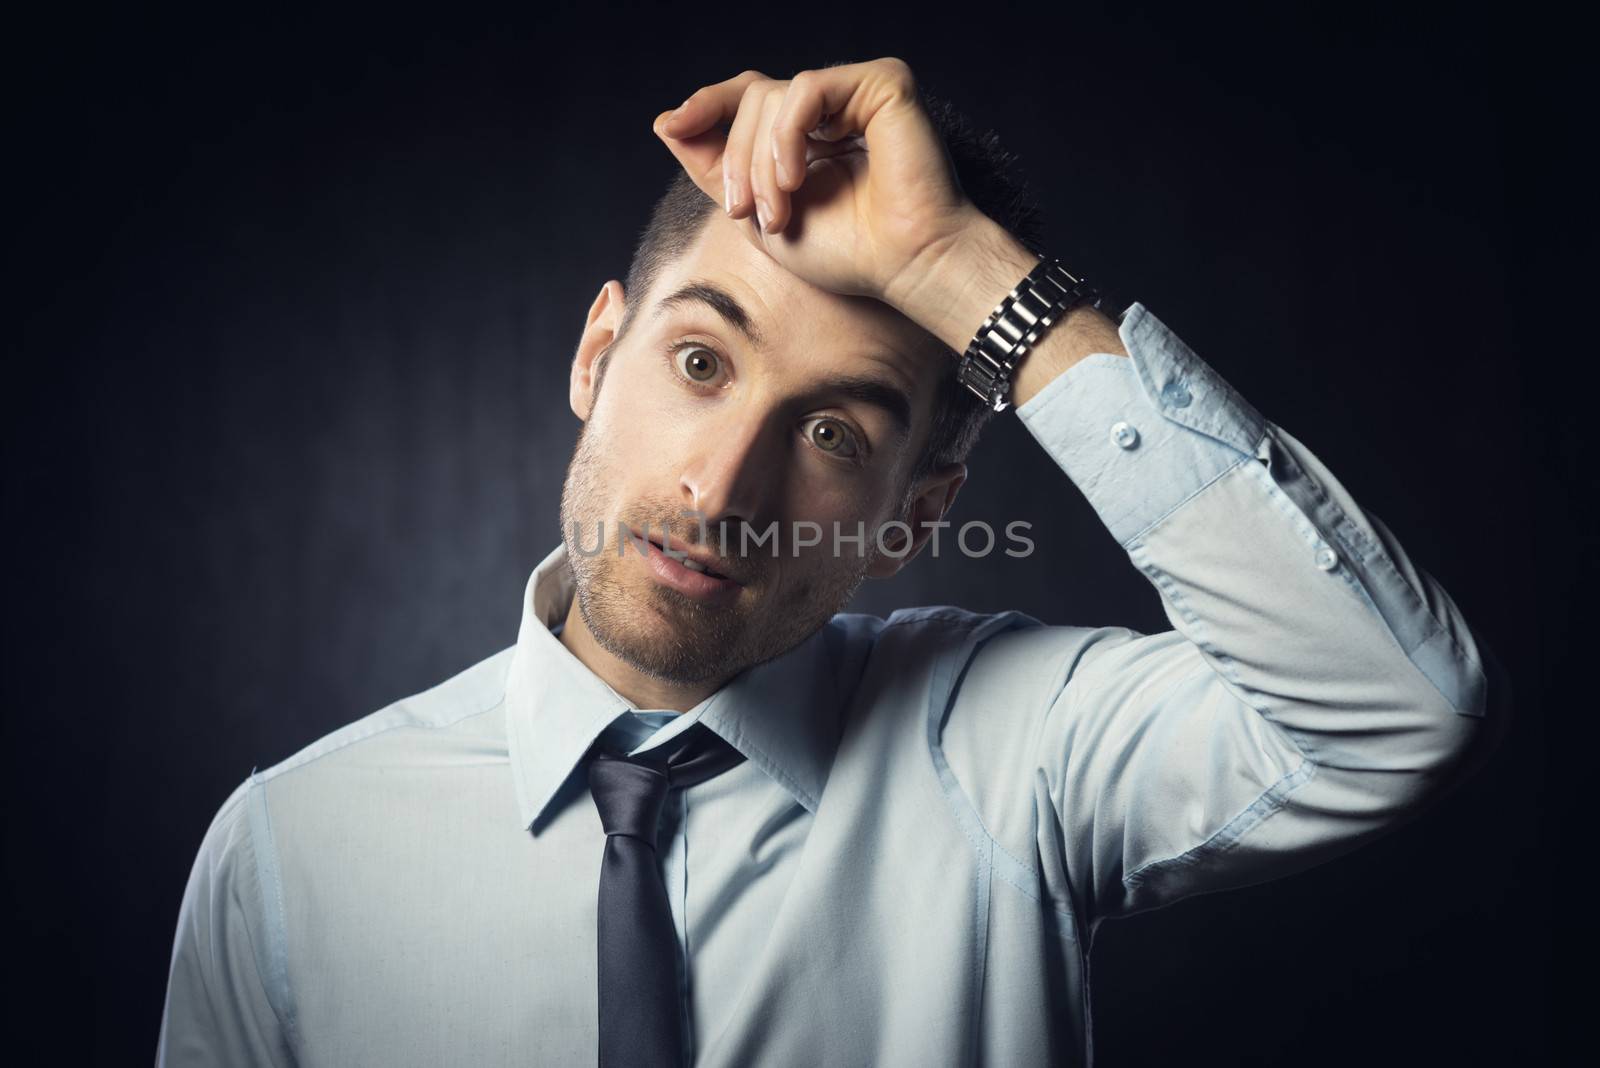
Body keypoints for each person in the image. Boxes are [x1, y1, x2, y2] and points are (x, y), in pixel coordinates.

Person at [157, 59, 1504, 1067]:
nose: (723, 488)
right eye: (699, 363)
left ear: (914, 516)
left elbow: (1395, 709)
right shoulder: (289, 853)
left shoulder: (1015, 754)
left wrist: (962, 270)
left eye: (832, 432)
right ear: (592, 355)